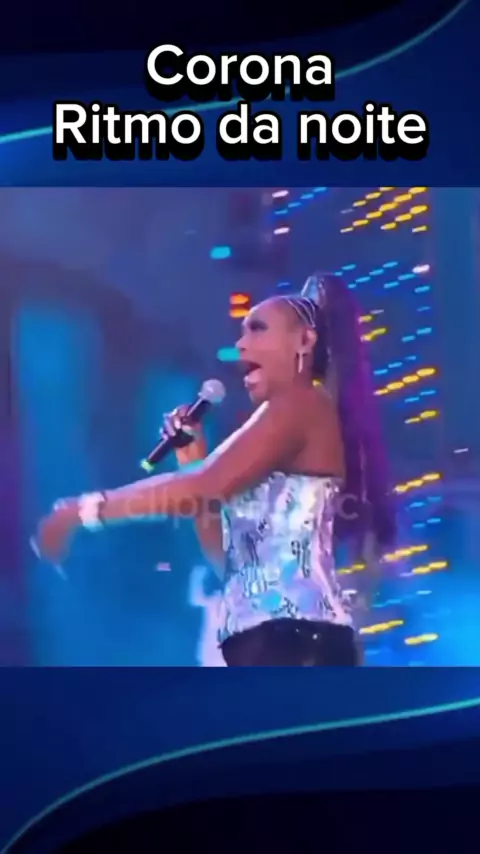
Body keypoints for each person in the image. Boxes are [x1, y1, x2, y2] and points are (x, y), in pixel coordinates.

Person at [34, 273, 395, 666]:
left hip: (297, 643)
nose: (241, 345)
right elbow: (226, 561)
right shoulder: (278, 423)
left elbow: (206, 485)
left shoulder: (302, 403)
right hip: (268, 642)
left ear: (304, 342)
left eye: (259, 330)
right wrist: (193, 459)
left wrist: (83, 510)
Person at [187, 565, 226, 667]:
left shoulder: (215, 600)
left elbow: (195, 599)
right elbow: (196, 599)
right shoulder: (215, 600)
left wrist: (197, 574)